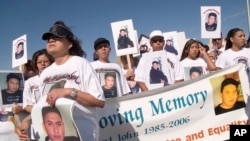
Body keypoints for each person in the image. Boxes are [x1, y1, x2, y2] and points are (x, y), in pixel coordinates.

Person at [39, 20, 105, 141]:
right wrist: (27, 122)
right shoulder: (44, 74)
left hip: (84, 135)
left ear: (70, 44)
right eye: (49, 38)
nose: (51, 40)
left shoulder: (81, 63)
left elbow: (99, 101)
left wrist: (68, 91)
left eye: (57, 37)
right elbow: (42, 107)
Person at [17, 49, 54, 141]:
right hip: (37, 128)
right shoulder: (30, 82)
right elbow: (26, 105)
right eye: (39, 62)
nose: (42, 64)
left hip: (55, 126)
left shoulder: (57, 78)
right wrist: (40, 112)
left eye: (45, 61)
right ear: (36, 64)